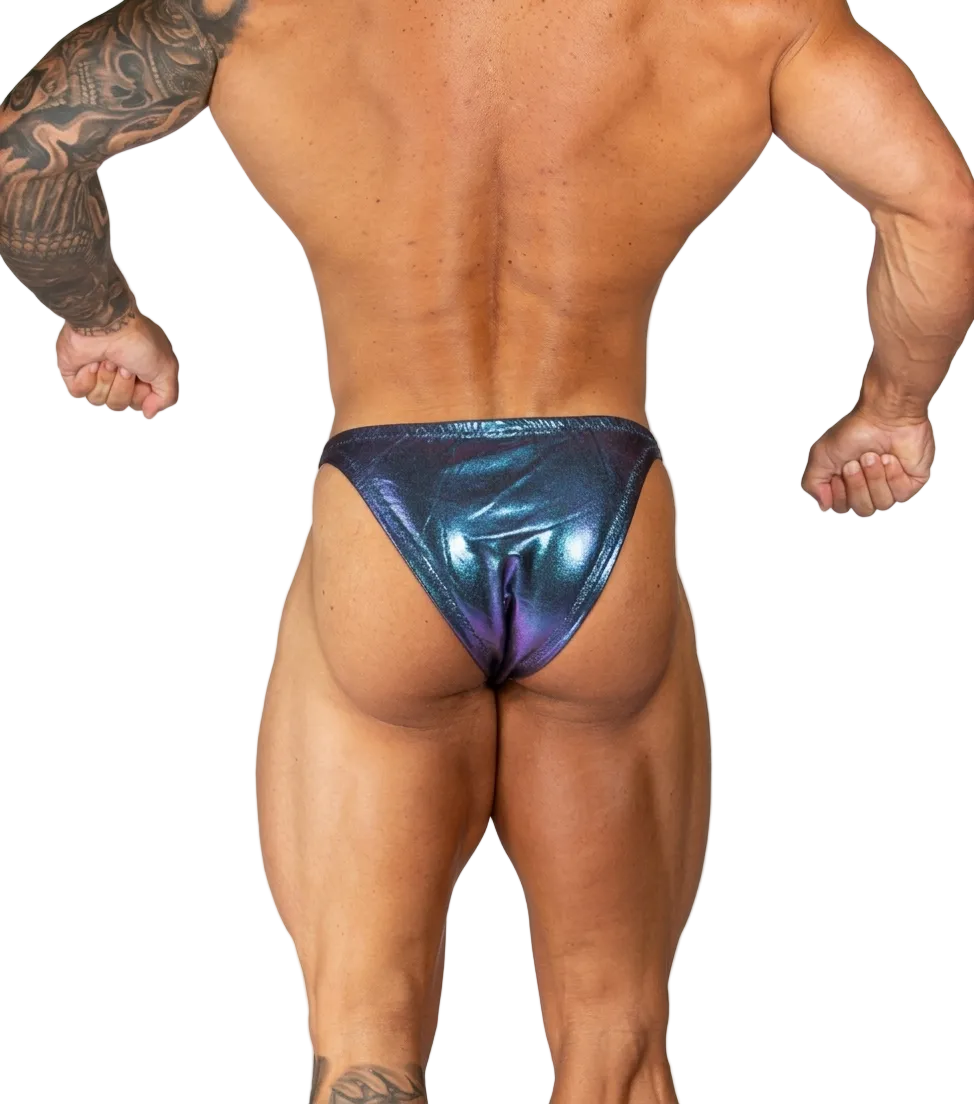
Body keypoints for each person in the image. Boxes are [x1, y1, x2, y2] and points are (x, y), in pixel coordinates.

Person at [2, 1, 972, 1101]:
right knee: (617, 1044)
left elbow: (29, 149)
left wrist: (102, 317)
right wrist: (891, 408)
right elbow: (938, 204)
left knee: (364, 1041)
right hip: (602, 508)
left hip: (382, 524)